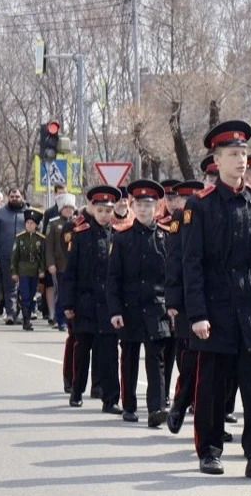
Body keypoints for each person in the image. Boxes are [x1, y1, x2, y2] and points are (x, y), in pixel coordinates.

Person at [181, 120, 251, 480]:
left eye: (243, 154)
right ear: (217, 160)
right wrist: (197, 314)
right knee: (211, 386)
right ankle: (210, 450)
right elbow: (191, 264)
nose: (241, 161)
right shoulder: (200, 206)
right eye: (233, 154)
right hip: (216, 307)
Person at [107, 179, 172, 428]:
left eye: (149, 205)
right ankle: (129, 405)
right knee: (129, 358)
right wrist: (115, 310)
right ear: (133, 207)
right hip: (129, 308)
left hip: (157, 308)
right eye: (140, 205)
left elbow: (172, 278)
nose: (144, 210)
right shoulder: (122, 239)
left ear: (157, 207)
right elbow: (113, 278)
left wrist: (172, 306)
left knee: (156, 359)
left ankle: (157, 408)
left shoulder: (165, 237)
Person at [60, 185, 122, 414]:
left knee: (109, 353)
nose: (104, 215)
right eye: (101, 210)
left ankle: (111, 399)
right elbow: (70, 273)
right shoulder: (81, 235)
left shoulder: (118, 235)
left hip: (109, 305)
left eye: (108, 210)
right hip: (85, 302)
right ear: (93, 209)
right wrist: (68, 304)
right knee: (82, 350)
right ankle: (77, 391)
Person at [165, 180, 204, 434]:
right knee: (190, 359)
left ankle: (212, 415)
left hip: (214, 298)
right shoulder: (180, 219)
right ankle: (181, 402)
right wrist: (173, 300)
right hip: (188, 299)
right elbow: (174, 260)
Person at [0, 187, 27, 325]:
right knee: (10, 286)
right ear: (8, 198)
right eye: (12, 197)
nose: (15, 199)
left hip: (26, 257)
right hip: (6, 255)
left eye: (17, 196)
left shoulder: (28, 213)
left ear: (22, 197)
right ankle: (11, 313)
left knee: (24, 287)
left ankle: (24, 313)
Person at [44, 193, 76, 331]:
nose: (69, 210)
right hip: (60, 265)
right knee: (61, 292)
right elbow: (48, 246)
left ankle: (71, 321)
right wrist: (50, 263)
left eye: (71, 208)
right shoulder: (54, 224)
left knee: (72, 293)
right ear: (61, 209)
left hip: (74, 265)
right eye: (66, 207)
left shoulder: (78, 223)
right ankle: (60, 319)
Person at [10, 208, 46, 332]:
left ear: (36, 225)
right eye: (27, 223)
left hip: (34, 271)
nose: (29, 225)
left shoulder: (40, 239)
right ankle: (26, 320)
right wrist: (14, 272)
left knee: (31, 295)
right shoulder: (20, 238)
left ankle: (28, 316)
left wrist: (42, 270)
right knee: (25, 295)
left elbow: (42, 256)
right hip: (23, 270)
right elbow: (14, 256)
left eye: (32, 223)